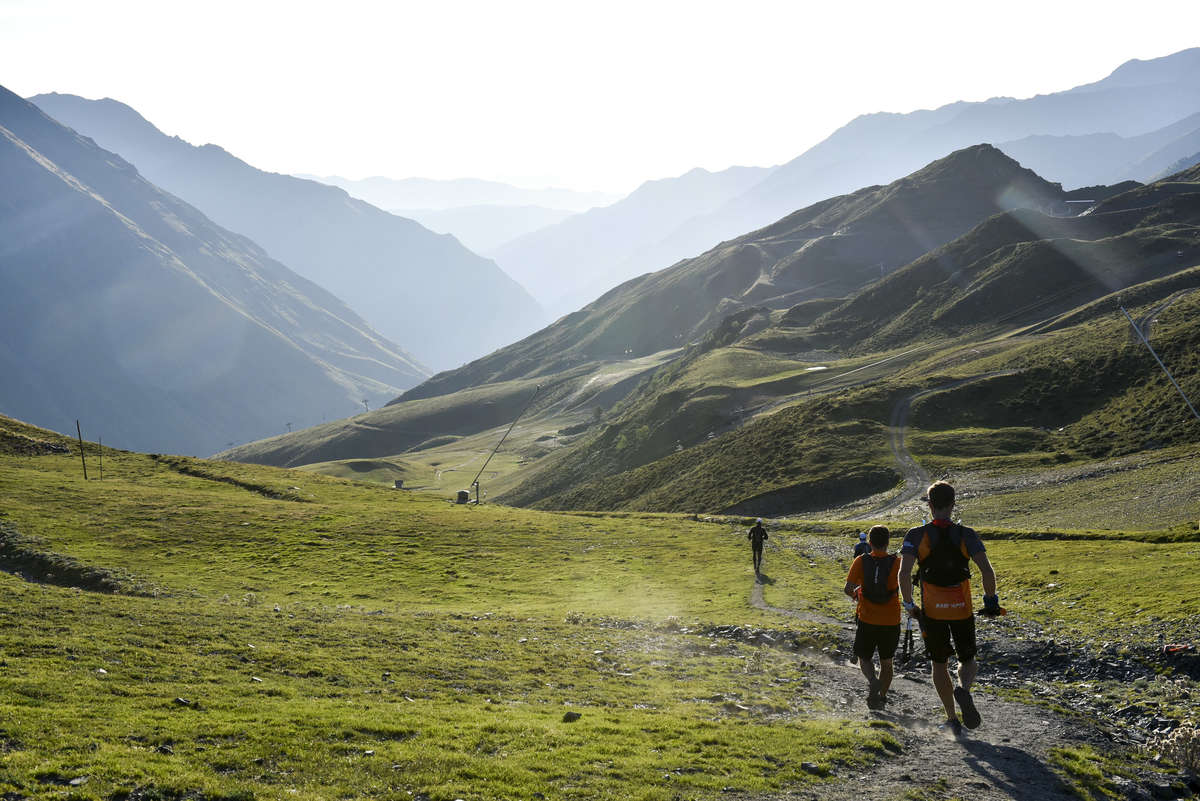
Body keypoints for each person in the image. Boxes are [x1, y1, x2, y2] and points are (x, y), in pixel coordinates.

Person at [899, 481, 1002, 737]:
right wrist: (991, 602)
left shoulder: (915, 535)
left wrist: (909, 604)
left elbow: (903, 573)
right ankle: (963, 690)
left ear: (930, 505)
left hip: (933, 613)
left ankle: (952, 718)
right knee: (968, 660)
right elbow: (987, 571)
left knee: (939, 664)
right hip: (962, 610)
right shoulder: (967, 534)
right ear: (953, 504)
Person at [845, 525, 901, 710]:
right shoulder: (898, 563)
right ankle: (882, 697)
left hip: (867, 618)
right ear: (887, 542)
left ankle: (872, 680)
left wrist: (857, 595)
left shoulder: (861, 561)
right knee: (887, 662)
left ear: (869, 542)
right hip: (891, 620)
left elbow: (848, 588)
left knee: (864, 657)